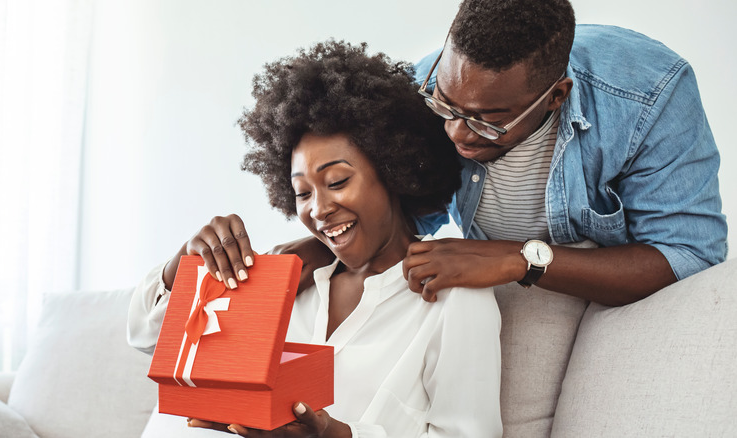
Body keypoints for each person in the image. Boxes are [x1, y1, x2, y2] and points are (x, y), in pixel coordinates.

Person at [195, 0, 727, 307]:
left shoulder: (649, 95)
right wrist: (319, 247)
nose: (454, 132)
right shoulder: (416, 89)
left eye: (487, 121)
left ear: (555, 96)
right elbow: (394, 212)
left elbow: (689, 254)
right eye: (446, 104)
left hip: (623, 301)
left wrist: (521, 259)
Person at [128, 40, 503, 437]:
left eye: (337, 181)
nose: (318, 209)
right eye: (302, 193)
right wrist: (186, 263)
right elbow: (146, 337)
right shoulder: (282, 275)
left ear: (394, 171)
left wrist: (338, 435)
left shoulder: (453, 298)